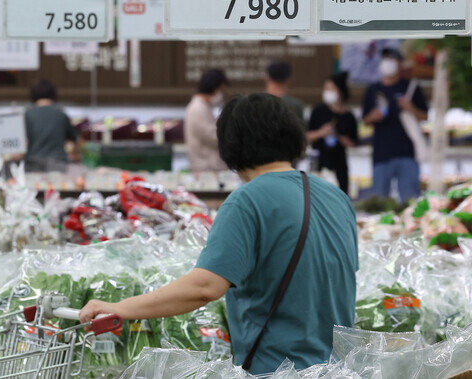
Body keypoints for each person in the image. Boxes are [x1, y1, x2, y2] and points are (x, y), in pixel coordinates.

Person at [81, 93, 358, 374]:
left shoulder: (247, 201)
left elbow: (204, 287)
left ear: (231, 144)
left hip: (279, 369)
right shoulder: (336, 197)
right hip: (336, 369)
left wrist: (121, 308)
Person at [362, 48, 428, 202]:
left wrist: (410, 107)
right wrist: (373, 116)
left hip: (407, 153)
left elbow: (425, 115)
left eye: (392, 59)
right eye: (385, 58)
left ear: (400, 64)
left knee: (411, 200)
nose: (388, 62)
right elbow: (365, 120)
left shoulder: (411, 87)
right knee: (379, 201)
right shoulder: (372, 89)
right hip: (381, 153)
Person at [307, 72, 358, 195]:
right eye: (325, 89)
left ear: (340, 91)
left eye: (330, 88)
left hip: (339, 165)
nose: (327, 92)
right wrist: (321, 132)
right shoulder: (318, 111)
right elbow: (306, 136)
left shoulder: (349, 116)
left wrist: (338, 135)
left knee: (340, 196)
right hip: (319, 163)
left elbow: (353, 143)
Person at [24, 79, 80, 171]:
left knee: (35, 185)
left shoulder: (28, 115)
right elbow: (78, 141)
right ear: (54, 95)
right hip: (58, 164)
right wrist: (75, 155)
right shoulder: (61, 115)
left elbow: (21, 143)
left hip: (33, 165)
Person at [184, 69, 229, 172]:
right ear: (213, 88)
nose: (221, 94)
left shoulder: (205, 107)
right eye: (221, 90)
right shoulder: (197, 109)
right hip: (205, 169)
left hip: (211, 167)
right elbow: (215, 137)